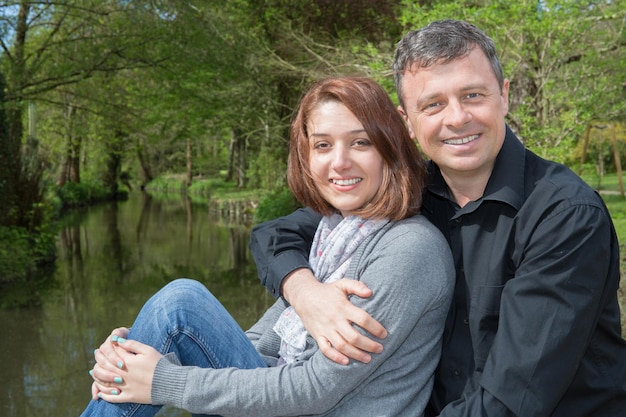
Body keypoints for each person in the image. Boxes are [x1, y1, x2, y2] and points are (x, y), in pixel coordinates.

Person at [249, 19, 626, 417]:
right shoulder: (407, 194)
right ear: (407, 121)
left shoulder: (564, 216)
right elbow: (275, 234)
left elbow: (511, 402)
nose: (457, 117)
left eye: (473, 95)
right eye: (433, 104)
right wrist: (306, 293)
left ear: (504, 95)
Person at [81, 76, 455, 417]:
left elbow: (314, 389)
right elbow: (263, 341)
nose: (339, 162)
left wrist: (163, 380)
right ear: (306, 158)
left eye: (361, 142)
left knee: (179, 305)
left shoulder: (409, 249)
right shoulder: (334, 237)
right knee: (159, 328)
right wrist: (137, 362)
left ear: (390, 148)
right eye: (323, 145)